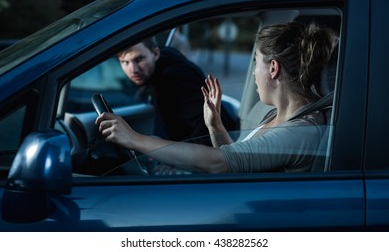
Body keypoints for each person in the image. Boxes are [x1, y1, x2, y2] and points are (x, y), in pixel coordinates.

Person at [97, 22, 338, 173]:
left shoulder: (299, 133)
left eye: (256, 62)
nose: (254, 72)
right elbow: (237, 162)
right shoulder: (275, 114)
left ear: (273, 69)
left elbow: (218, 163)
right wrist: (215, 124)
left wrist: (134, 139)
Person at [117, 37, 235, 143]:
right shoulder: (157, 75)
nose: (133, 69)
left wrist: (175, 156)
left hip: (217, 149)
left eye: (139, 59)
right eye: (125, 62)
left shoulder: (175, 78)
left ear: (156, 53)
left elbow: (203, 129)